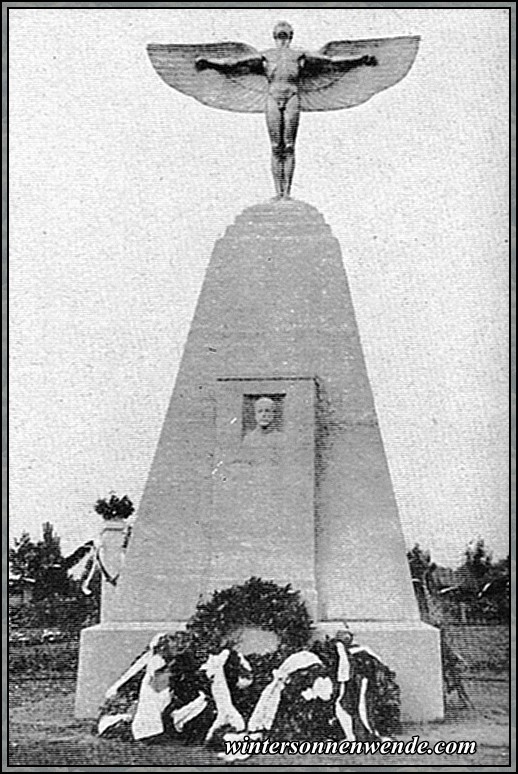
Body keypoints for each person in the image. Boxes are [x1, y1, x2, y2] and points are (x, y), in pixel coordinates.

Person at [196, 21, 377, 198]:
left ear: (290, 36)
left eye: (285, 32)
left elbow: (331, 61)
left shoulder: (299, 55)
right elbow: (234, 63)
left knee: (289, 145)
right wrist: (209, 63)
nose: (282, 35)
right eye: (279, 32)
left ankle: (286, 193)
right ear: (275, 36)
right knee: (276, 146)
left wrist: (359, 60)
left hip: (291, 96)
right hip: (273, 97)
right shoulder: (266, 55)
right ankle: (278, 192)